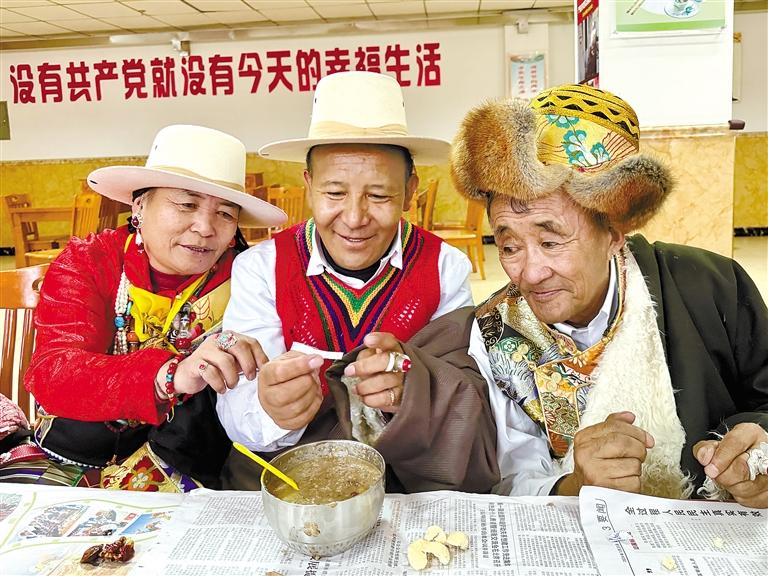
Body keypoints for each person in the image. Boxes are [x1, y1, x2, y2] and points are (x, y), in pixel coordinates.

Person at [449, 84, 768, 507]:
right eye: (508, 246)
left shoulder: (711, 286)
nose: (530, 272)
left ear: (615, 233)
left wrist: (757, 455)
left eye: (551, 242)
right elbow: (509, 478)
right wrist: (576, 484)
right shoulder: (496, 333)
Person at [218, 71, 499, 492]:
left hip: (399, 479)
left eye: (379, 196)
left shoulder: (444, 267)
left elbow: (461, 388)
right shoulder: (261, 267)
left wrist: (413, 389)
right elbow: (237, 404)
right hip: (287, 482)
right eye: (334, 193)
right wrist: (269, 407)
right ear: (309, 187)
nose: (353, 218)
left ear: (410, 191)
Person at [1, 125, 286, 491]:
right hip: (75, 459)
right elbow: (53, 373)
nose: (205, 227)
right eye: (186, 205)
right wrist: (170, 374)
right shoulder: (91, 262)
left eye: (225, 214)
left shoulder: (249, 279)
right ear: (139, 206)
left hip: (194, 471)